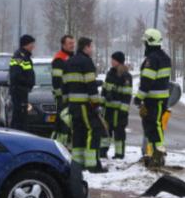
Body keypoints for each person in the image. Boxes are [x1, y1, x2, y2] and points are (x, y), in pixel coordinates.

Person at [62, 37, 105, 173]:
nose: (92, 49)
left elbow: (64, 85)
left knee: (78, 132)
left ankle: (78, 163)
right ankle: (93, 165)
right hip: (85, 105)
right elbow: (90, 85)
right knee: (94, 130)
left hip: (73, 105)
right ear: (86, 47)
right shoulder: (86, 62)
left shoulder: (69, 62)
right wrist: (96, 103)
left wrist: (66, 102)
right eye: (91, 47)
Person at [134, 29, 172, 168]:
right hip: (162, 99)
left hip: (153, 100)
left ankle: (158, 154)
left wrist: (138, 98)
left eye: (145, 42)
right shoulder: (165, 58)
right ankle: (152, 155)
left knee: (153, 127)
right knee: (153, 127)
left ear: (149, 42)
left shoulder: (152, 60)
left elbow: (146, 82)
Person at [102, 51, 133, 160]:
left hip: (119, 111)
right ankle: (103, 152)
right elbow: (104, 90)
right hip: (108, 110)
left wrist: (123, 111)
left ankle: (119, 154)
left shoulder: (126, 76)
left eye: (113, 60)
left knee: (119, 132)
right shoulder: (110, 74)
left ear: (119, 61)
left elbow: (127, 95)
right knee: (106, 131)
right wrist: (103, 102)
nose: (111, 61)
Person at [51, 35, 75, 145]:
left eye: (73, 43)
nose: (72, 45)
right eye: (70, 43)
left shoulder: (71, 57)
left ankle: (66, 142)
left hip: (70, 96)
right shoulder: (59, 59)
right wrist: (61, 97)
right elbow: (56, 81)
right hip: (63, 98)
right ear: (63, 45)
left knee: (68, 122)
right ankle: (60, 143)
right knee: (63, 122)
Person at [9, 34, 36, 131]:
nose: (33, 46)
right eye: (32, 44)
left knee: (21, 117)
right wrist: (27, 82)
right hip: (19, 92)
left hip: (22, 91)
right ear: (26, 44)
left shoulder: (25, 56)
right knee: (19, 118)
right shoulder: (19, 57)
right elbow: (15, 75)